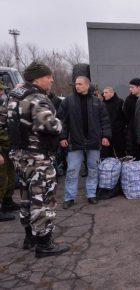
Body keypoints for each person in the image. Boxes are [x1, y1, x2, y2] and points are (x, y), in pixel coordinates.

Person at [7, 61, 70, 257]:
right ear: (37, 78)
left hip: (20, 157)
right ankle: (44, 244)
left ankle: (30, 238)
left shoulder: (13, 96)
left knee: (26, 197)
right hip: (38, 159)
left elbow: (3, 122)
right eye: (48, 76)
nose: (51, 79)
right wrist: (59, 122)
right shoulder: (36, 99)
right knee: (43, 200)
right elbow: (51, 126)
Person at [58, 76, 112, 209]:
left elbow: (104, 121)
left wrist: (106, 136)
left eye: (80, 84)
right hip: (75, 142)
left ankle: (91, 195)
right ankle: (69, 197)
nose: (77, 86)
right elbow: (62, 121)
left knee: (93, 170)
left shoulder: (97, 102)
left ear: (87, 85)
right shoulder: (68, 101)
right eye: (76, 84)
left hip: (94, 141)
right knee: (72, 170)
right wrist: (63, 137)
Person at [0, 81, 19, 222]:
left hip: (7, 147)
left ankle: (7, 202)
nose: (1, 92)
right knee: (1, 179)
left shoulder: (3, 103)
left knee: (10, 176)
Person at [123, 78, 140, 161]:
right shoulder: (129, 100)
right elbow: (126, 115)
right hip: (134, 132)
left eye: (132, 87)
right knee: (136, 155)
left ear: (139, 87)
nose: (130, 89)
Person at [101, 87, 126, 158]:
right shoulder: (102, 104)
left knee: (120, 153)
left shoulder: (120, 102)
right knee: (107, 154)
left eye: (106, 92)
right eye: (103, 93)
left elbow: (124, 116)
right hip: (106, 134)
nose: (104, 94)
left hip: (119, 133)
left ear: (112, 93)